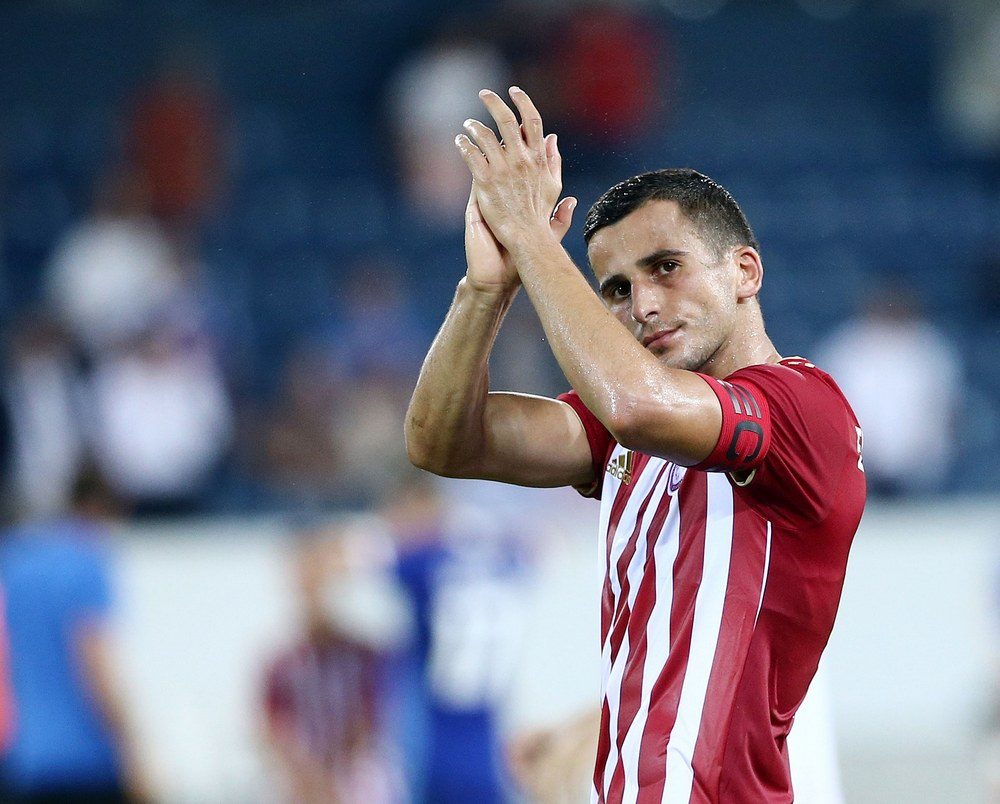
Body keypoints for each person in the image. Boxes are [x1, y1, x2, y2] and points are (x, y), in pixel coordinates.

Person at [405, 87, 867, 801]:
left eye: (666, 267)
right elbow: (442, 441)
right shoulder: (627, 430)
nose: (643, 305)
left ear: (744, 271)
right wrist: (485, 289)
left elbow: (634, 403)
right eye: (616, 289)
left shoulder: (805, 409)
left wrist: (532, 241)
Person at [0, 468, 152, 803]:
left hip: (26, 759)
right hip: (85, 763)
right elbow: (94, 666)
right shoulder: (85, 561)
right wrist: (135, 753)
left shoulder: (13, 559)